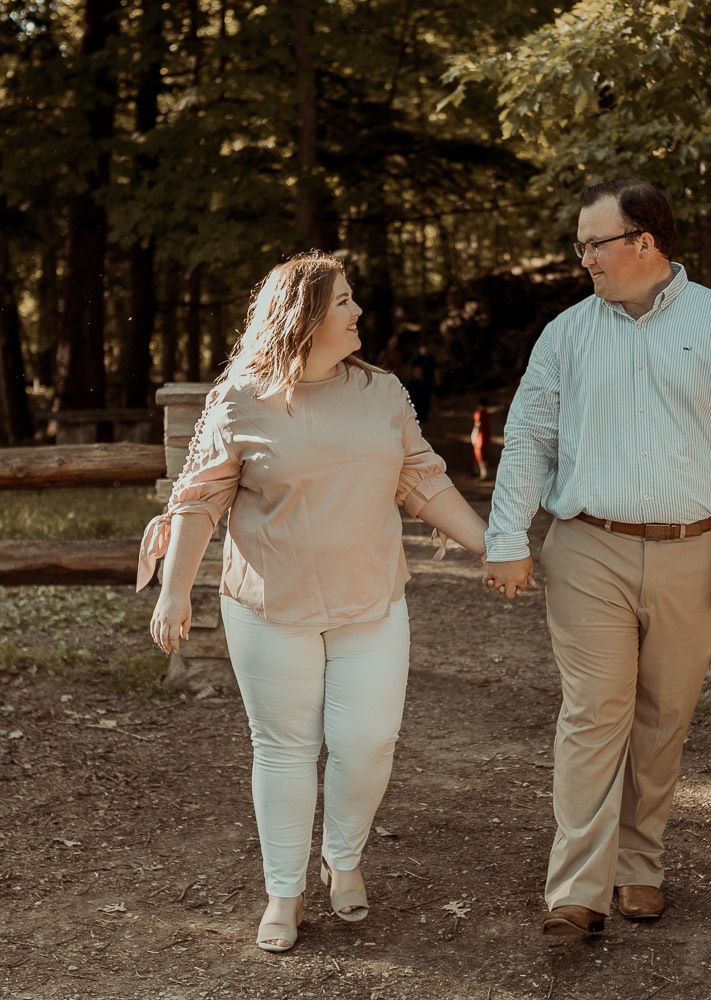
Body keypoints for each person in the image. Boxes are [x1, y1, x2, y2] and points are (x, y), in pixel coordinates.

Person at [137, 252, 489, 953]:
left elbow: (422, 480)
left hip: (371, 601)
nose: (358, 311)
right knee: (285, 749)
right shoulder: (239, 398)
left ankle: (343, 857)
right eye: (344, 302)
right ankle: (284, 891)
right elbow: (199, 502)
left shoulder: (382, 391)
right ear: (303, 316)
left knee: (368, 742)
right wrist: (174, 592)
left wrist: (493, 546)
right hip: (269, 607)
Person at [481, 179, 711, 937]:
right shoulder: (566, 334)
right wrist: (507, 537)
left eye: (595, 243)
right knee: (594, 713)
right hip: (589, 548)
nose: (584, 258)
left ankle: (639, 866)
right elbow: (529, 440)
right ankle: (576, 890)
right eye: (581, 244)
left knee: (663, 719)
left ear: (643, 241)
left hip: (696, 551)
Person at [470, 398, 492, 480]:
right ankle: (483, 472)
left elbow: (478, 425)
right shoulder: (486, 414)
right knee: (483, 454)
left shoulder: (479, 413)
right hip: (486, 436)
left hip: (480, 436)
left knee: (479, 454)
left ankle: (483, 473)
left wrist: (473, 435)